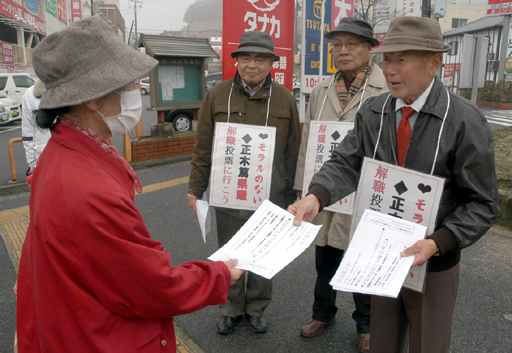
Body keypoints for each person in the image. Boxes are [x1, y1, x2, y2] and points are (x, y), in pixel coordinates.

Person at [16, 17, 244, 353]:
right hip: (99, 338)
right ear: (92, 99)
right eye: (127, 84)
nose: (134, 90)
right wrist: (218, 275)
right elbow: (151, 287)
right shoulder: (88, 188)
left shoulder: (61, 152)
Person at [288, 16, 499, 353]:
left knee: (428, 342)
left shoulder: (463, 120)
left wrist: (439, 242)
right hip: (381, 254)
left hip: (433, 260)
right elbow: (347, 161)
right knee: (383, 340)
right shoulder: (375, 111)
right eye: (387, 59)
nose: (390, 70)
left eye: (403, 59)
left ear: (434, 63)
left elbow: (483, 203)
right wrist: (317, 195)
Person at [187, 31, 301, 335]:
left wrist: (294, 195)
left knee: (264, 254)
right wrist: (195, 188)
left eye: (261, 58)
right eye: (246, 57)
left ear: (271, 63)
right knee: (230, 252)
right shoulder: (218, 94)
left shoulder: (284, 98)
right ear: (236, 61)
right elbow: (203, 146)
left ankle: (256, 307)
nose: (253, 64)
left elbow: (294, 150)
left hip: (271, 195)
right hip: (229, 193)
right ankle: (230, 307)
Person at [294, 17, 387, 352]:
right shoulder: (320, 90)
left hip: (364, 190)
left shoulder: (385, 87)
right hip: (324, 189)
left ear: (368, 48)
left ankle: (367, 323)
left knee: (361, 257)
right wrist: (304, 187)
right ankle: (323, 311)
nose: (343, 51)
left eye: (352, 44)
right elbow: (308, 141)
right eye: (337, 46)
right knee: (325, 255)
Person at [21, 79, 51, 176]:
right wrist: (31, 163)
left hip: (72, 156)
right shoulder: (30, 94)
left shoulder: (73, 89)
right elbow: (27, 130)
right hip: (42, 155)